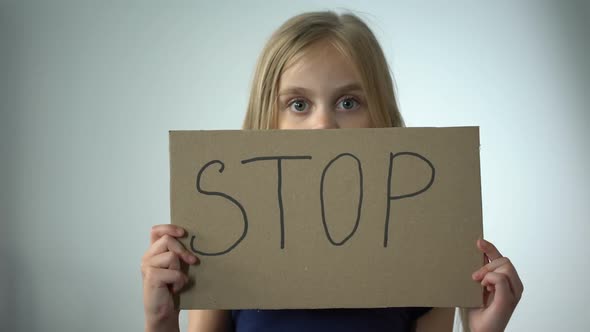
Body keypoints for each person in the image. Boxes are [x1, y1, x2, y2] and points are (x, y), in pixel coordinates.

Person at [141, 10, 523, 332]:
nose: (323, 124)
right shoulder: (228, 246)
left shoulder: (425, 251)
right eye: (298, 104)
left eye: (347, 101)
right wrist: (161, 320)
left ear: (381, 118)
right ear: (268, 120)